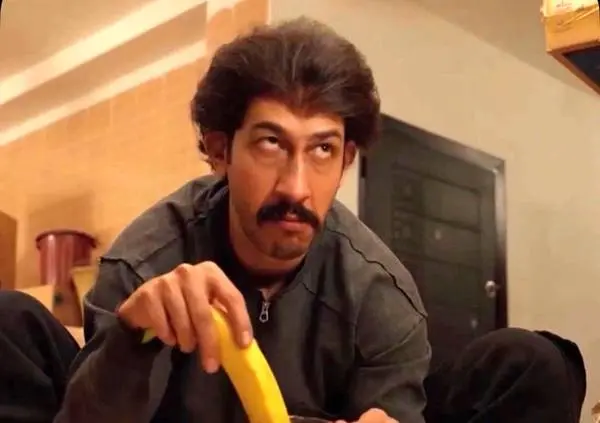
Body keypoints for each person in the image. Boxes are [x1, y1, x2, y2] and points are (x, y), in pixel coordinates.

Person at [0, 18, 587, 423]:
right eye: (271, 143)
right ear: (220, 150)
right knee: (7, 321)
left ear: (347, 160)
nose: (296, 187)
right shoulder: (143, 263)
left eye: (323, 149)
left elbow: (391, 412)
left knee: (538, 364)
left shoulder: (381, 294)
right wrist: (131, 340)